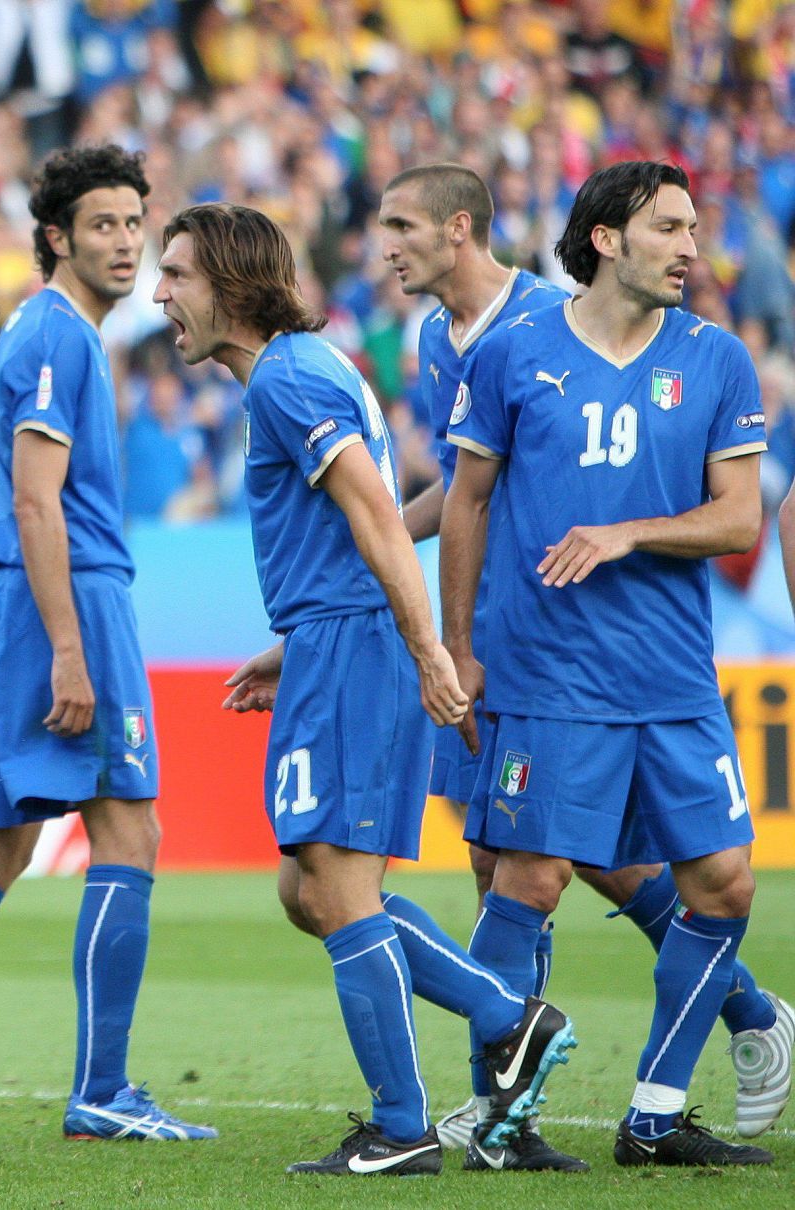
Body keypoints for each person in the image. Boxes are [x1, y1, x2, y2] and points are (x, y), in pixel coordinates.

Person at [380, 162, 792, 1159]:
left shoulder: (718, 358)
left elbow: (740, 515)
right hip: (547, 668)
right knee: (524, 875)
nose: (693, 248)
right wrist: (460, 646)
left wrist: (626, 532)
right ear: (606, 238)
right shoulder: (513, 351)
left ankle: (652, 1115)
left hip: (673, 675)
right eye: (669, 228)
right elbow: (467, 501)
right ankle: (495, 1112)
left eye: (693, 228)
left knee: (724, 884)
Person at [158, 202, 577, 1175]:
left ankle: (403, 1124)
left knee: (339, 889)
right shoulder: (300, 372)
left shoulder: (286, 378)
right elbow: (357, 525)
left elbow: (379, 518)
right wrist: (294, 642)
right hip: (332, 642)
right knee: (307, 889)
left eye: (176, 274)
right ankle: (505, 1019)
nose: (159, 293)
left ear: (228, 281)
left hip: (356, 650)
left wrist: (427, 645)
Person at [0, 144, 215, 1142]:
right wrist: (71, 649)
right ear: (56, 236)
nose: (125, 243)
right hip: (63, 595)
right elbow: (39, 502)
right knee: (129, 827)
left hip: (11, 600)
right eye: (103, 225)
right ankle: (103, 1091)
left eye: (135, 223)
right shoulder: (61, 337)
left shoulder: (40, 330)